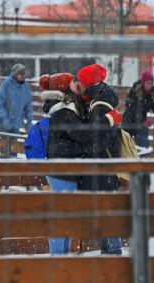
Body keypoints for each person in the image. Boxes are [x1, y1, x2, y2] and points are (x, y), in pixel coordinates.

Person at [39, 72, 122, 255]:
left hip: (65, 169)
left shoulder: (69, 107)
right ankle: (58, 257)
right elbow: (83, 134)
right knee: (62, 217)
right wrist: (108, 120)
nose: (78, 84)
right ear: (65, 88)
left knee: (65, 217)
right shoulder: (63, 111)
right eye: (73, 82)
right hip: (61, 171)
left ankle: (61, 256)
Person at [76, 63, 123, 255]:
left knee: (106, 213)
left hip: (101, 165)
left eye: (80, 81)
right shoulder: (102, 99)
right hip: (106, 165)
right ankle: (109, 253)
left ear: (87, 83)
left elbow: (99, 138)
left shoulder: (98, 105)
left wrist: (84, 146)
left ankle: (113, 254)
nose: (78, 84)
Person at [122, 71, 154, 148]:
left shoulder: (151, 95)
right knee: (124, 148)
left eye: (151, 83)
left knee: (142, 146)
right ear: (143, 83)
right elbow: (131, 107)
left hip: (140, 126)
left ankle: (143, 156)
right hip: (128, 122)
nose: (149, 86)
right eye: (147, 83)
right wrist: (142, 119)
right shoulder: (135, 91)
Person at [0, 63, 33, 134]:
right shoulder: (6, 85)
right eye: (20, 74)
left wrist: (29, 121)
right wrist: (4, 119)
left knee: (13, 143)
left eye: (24, 74)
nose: (23, 76)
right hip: (2, 124)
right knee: (4, 143)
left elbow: (28, 106)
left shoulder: (26, 87)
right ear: (15, 74)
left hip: (16, 124)